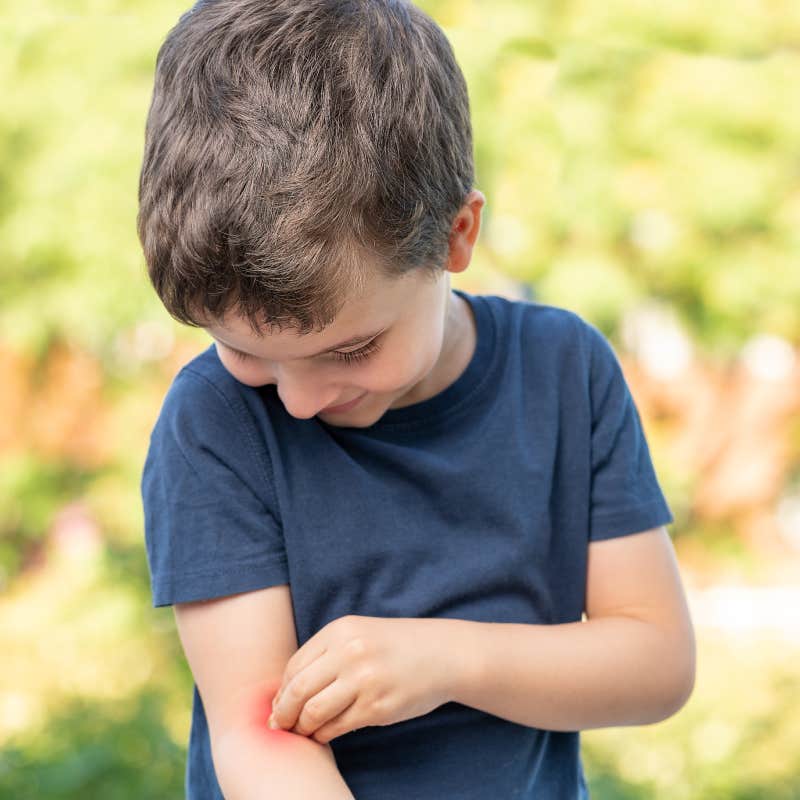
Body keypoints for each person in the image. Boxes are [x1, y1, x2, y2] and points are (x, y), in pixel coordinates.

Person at [137, 1, 696, 798]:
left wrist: (446, 660)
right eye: (248, 352)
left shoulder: (565, 372)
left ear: (455, 237)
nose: (297, 401)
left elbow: (656, 662)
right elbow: (257, 741)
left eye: (351, 349)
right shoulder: (214, 424)